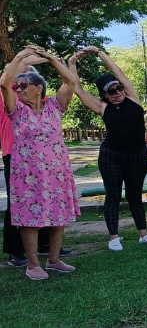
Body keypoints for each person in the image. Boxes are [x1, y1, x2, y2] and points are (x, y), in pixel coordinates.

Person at [69, 46, 147, 251]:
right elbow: (77, 88)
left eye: (119, 88)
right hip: (112, 156)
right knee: (113, 195)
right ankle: (113, 237)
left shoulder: (132, 98)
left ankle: (144, 234)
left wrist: (99, 53)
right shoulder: (103, 107)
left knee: (135, 195)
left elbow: (119, 72)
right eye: (111, 92)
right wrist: (72, 63)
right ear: (105, 95)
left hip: (137, 154)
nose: (117, 93)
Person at [1, 46, 80, 280]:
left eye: (24, 85)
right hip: (27, 173)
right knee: (29, 218)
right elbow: (5, 82)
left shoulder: (55, 106)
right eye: (18, 86)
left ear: (39, 88)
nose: (19, 89)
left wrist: (50, 59)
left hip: (57, 171)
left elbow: (70, 80)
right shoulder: (16, 110)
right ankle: (33, 264)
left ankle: (54, 260)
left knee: (59, 214)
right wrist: (18, 58)